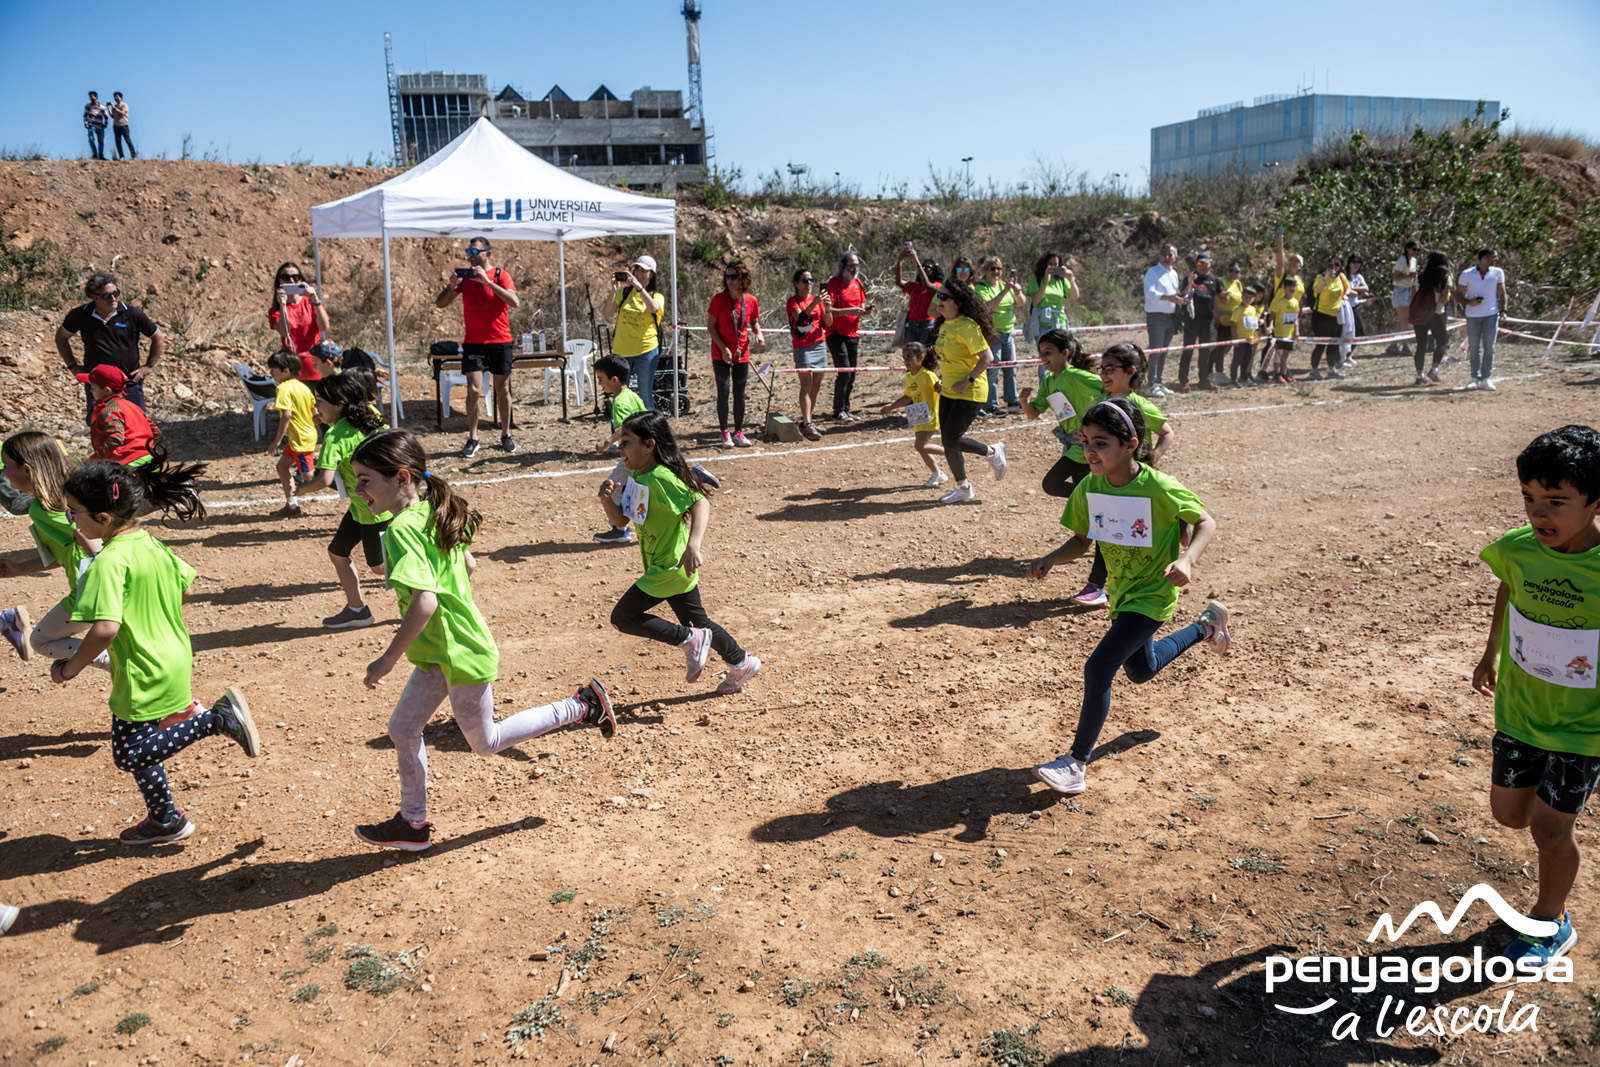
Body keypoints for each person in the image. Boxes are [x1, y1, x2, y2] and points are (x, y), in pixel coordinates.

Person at [349, 430, 616, 851]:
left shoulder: (401, 529)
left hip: (459, 653)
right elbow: (469, 565)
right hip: (442, 651)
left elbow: (424, 603)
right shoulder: (432, 512)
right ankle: (412, 824)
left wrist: (386, 660)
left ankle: (583, 706)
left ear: (401, 478)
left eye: (365, 480)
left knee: (486, 742)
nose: (358, 490)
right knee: (402, 727)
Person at [52, 455, 259, 846]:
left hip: (141, 669)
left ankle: (216, 721)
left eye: (73, 512)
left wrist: (69, 668)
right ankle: (165, 819)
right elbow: (186, 585)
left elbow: (105, 629)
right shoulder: (148, 542)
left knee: (129, 754)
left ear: (102, 517)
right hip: (173, 655)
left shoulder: (108, 562)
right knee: (144, 742)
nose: (71, 520)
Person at [1026, 397, 1229, 795]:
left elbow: (1205, 522)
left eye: (1101, 443)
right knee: (1141, 670)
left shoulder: (1159, 487)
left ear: (1130, 445)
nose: (1090, 451)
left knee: (1099, 667)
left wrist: (1187, 560)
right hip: (1121, 593)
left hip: (1154, 594)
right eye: (1086, 442)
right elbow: (1081, 541)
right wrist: (1051, 558)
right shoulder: (1090, 486)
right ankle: (1206, 627)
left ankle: (1076, 763)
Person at [1472, 424, 1600, 970]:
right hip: (1521, 712)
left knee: (1550, 828)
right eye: (1529, 499)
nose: (1538, 514)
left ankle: (1551, 922)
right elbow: (1509, 584)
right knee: (1510, 815)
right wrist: (1491, 652)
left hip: (1585, 727)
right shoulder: (1517, 549)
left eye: (1556, 502)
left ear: (1596, 502)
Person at [600, 411, 762, 694]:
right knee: (701, 624)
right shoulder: (639, 475)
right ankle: (741, 662)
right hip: (672, 566)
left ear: (649, 445)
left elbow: (700, 502)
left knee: (623, 617)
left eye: (625, 442)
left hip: (669, 567)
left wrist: (694, 544)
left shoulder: (660, 478)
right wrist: (606, 502)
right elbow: (623, 520)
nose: (620, 449)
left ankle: (688, 639)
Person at [1069, 343, 1174, 607]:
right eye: (1102, 368)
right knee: (1108, 531)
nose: (1103, 373)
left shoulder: (1139, 405)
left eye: (1110, 368)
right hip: (1107, 478)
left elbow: (1167, 432)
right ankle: (1100, 586)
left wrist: (1154, 457)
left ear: (1130, 371)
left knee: (1115, 532)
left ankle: (1101, 586)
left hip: (1134, 481)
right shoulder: (1100, 402)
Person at [290, 372, 392, 629]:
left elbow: (324, 480)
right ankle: (357, 609)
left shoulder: (335, 436)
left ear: (339, 403)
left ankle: (429, 582)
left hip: (374, 511)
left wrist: (301, 489)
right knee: (337, 552)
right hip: (370, 504)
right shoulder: (370, 416)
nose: (316, 407)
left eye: (320, 402)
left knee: (380, 567)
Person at [0, 432, 104, 672]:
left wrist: (107, 572)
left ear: (27, 470)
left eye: (6, 466)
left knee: (41, 641)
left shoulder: (43, 509)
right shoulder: (69, 498)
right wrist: (19, 568)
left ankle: (116, 661)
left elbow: (91, 539)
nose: (3, 473)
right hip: (99, 585)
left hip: (92, 589)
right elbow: (63, 553)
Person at [435, 237, 520, 456]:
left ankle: (506, 434)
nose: (470, 255)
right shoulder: (465, 279)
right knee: (473, 390)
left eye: (475, 251)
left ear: (487, 254)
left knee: (502, 389)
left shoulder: (500, 275)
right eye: (468, 251)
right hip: (474, 343)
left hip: (500, 341)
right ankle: (473, 437)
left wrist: (488, 282)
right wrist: (451, 286)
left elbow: (514, 302)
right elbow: (440, 303)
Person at [930, 282, 1007, 505]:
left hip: (970, 390)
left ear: (958, 303)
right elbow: (951, 358)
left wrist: (967, 380)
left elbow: (987, 357)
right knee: (948, 442)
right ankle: (963, 488)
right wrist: (943, 380)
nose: (939, 300)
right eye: (939, 295)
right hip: (949, 390)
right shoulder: (945, 324)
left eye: (944, 297)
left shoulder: (967, 325)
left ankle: (992, 452)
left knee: (952, 438)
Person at [57, 272, 163, 420]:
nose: (113, 298)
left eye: (116, 293)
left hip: (129, 383)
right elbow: (61, 338)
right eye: (107, 296)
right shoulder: (80, 315)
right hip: (98, 385)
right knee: (101, 424)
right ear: (93, 296)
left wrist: (149, 366)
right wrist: (72, 366)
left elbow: (157, 337)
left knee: (136, 423)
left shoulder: (132, 314)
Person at [1021, 328, 1102, 499]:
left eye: (1048, 352)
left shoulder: (1076, 376)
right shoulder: (1048, 382)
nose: (1042, 357)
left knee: (1052, 483)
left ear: (1065, 353)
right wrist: (1024, 401)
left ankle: (1092, 502)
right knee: (1084, 489)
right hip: (1071, 443)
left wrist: (1096, 428)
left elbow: (1110, 389)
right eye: (1041, 353)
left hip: (1084, 443)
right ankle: (1092, 504)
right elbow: (1034, 414)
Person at [592, 355, 649, 545]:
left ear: (614, 379)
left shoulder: (620, 402)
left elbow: (627, 428)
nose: (600, 384)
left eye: (601, 379)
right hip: (643, 453)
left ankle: (619, 529)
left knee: (613, 488)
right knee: (640, 489)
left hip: (634, 457)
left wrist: (607, 442)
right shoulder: (632, 395)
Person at [707, 260, 763, 448]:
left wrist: (758, 334)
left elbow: (754, 322)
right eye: (727, 277)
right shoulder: (718, 300)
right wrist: (723, 349)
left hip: (742, 352)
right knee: (723, 391)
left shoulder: (751, 300)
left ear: (742, 279)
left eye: (733, 277)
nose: (729, 280)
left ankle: (738, 431)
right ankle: (724, 432)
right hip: (720, 352)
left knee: (740, 392)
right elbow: (711, 327)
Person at [879, 342, 946, 487]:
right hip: (917, 415)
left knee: (920, 446)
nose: (906, 361)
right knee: (922, 448)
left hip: (930, 416)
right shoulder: (909, 376)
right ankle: (937, 473)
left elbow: (942, 389)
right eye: (904, 357)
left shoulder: (928, 375)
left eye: (909, 357)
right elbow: (907, 397)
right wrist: (891, 407)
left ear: (921, 357)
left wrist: (942, 384)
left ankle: (951, 452)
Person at [608, 255, 665, 412]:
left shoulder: (656, 296)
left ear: (651, 274)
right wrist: (613, 291)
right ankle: (620, 426)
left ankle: (648, 427)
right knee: (619, 395)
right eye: (636, 269)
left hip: (646, 351)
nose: (638, 272)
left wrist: (639, 288)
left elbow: (653, 308)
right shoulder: (624, 293)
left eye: (643, 270)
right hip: (622, 351)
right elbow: (607, 313)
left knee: (645, 394)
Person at [265, 350, 318, 514]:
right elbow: (315, 412)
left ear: (286, 371)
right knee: (282, 466)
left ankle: (337, 478)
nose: (270, 373)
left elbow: (286, 415)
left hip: (300, 440)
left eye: (273, 369)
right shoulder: (304, 387)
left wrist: (276, 442)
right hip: (301, 438)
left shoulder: (283, 388)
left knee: (309, 477)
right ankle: (292, 505)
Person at [824, 251, 872, 422]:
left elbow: (861, 305)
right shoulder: (833, 284)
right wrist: (851, 310)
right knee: (844, 371)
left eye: (856, 265)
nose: (854, 269)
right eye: (850, 265)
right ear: (842, 266)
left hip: (853, 333)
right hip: (836, 334)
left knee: (852, 373)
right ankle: (838, 410)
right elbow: (827, 310)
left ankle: (846, 408)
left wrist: (864, 310)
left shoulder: (858, 283)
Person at [80, 365, 159, 467]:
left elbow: (116, 438)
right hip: (151, 460)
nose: (90, 391)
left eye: (92, 387)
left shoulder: (110, 411)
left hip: (129, 465)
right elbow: (156, 432)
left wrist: (96, 458)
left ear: (107, 390)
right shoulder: (133, 407)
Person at [975, 256, 1026, 413]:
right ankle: (991, 405)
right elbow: (988, 307)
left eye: (999, 268)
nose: (996, 272)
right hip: (993, 334)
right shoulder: (981, 288)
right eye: (992, 268)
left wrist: (1017, 292)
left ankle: (1012, 401)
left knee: (1011, 368)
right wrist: (1005, 291)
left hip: (1008, 332)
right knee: (993, 370)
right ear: (985, 270)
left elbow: (1021, 303)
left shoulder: (1005, 285)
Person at [786, 268, 831, 440]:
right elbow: (800, 319)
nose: (809, 283)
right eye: (805, 280)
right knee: (806, 383)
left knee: (816, 384)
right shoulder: (793, 302)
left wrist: (827, 308)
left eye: (811, 280)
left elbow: (828, 322)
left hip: (819, 344)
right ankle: (807, 422)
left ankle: (808, 421)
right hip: (803, 347)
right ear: (796, 284)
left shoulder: (817, 300)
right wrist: (814, 303)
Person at [267, 261, 329, 381]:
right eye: (286, 278)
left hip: (315, 364)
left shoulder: (310, 303)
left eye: (295, 277)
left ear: (301, 280)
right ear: (279, 281)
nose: (291, 281)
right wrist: (283, 306)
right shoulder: (276, 310)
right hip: (292, 366)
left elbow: (324, 326)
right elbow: (284, 332)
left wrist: (315, 299)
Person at [1458, 248, 1508, 390]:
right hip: (1472, 316)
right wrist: (1469, 302)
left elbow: (1502, 293)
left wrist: (1503, 310)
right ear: (1484, 258)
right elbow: (1458, 294)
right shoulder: (1467, 274)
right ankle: (1475, 377)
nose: (1496, 259)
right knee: (1474, 348)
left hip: (1491, 315)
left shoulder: (1498, 272)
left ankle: (1486, 378)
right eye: (1493, 257)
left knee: (1489, 347)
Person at [1175, 252, 1220, 392]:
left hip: (1207, 322)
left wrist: (1217, 318)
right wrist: (1190, 282)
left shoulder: (1214, 280)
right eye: (1200, 264)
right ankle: (1183, 381)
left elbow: (1217, 299)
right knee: (1188, 351)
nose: (1203, 267)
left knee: (1205, 352)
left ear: (1211, 264)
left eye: (1206, 264)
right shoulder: (1189, 278)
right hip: (1191, 321)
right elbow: (1183, 296)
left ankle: (1204, 380)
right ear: (1196, 264)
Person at [1142, 245, 1183, 396]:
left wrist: (1181, 299)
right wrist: (1169, 298)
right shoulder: (1152, 272)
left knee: (1164, 351)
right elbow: (1150, 293)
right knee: (1156, 351)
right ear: (1159, 256)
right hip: (1156, 316)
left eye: (1170, 255)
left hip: (1171, 317)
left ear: (1175, 257)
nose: (1167, 257)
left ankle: (1159, 382)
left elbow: (1176, 293)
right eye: (1164, 254)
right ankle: (1151, 385)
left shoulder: (1174, 274)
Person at [1409, 252, 1451, 385]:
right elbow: (1445, 298)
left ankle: (1419, 375)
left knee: (1421, 344)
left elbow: (1413, 295)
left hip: (1420, 314)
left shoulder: (1420, 276)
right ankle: (1434, 369)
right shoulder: (1445, 276)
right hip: (1436, 313)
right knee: (1443, 341)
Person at [1306, 257, 1350, 380]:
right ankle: (1314, 370)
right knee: (1321, 344)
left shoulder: (1341, 277)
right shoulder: (1320, 277)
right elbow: (1317, 290)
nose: (1334, 267)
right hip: (1321, 316)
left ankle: (1332, 369)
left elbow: (1347, 288)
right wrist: (1326, 278)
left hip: (1336, 316)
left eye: (1337, 265)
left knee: (1334, 344)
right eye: (1331, 265)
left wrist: (1344, 296)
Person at [896, 244, 943, 347]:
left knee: (924, 353)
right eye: (923, 266)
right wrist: (900, 260)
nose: (925, 269)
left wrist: (916, 260)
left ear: (934, 271)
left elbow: (927, 285)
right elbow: (899, 282)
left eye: (928, 267)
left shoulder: (937, 286)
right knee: (909, 352)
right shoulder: (915, 286)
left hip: (927, 326)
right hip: (911, 325)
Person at [1262, 273, 1303, 383]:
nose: (1292, 289)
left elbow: (1296, 318)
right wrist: (1271, 325)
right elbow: (1272, 315)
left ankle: (1284, 374)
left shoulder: (1295, 302)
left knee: (1286, 354)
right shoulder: (1279, 301)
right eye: (1290, 286)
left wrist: (1297, 331)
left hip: (1290, 334)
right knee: (1278, 354)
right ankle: (1277, 374)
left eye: (1294, 286)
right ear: (1285, 288)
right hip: (1280, 333)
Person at [1213, 261, 1244, 386]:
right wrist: (1216, 316)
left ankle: (1219, 372)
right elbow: (1218, 299)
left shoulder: (1238, 284)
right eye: (1231, 270)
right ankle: (1216, 372)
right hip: (1221, 320)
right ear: (1227, 271)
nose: (1234, 273)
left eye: (1237, 271)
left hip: (1233, 322)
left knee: (1227, 348)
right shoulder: (1220, 281)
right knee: (1219, 348)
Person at [1338, 254, 1370, 366]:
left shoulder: (1358, 276)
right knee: (1345, 333)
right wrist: (1356, 291)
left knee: (1359, 333)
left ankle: (1348, 354)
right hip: (1345, 307)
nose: (1356, 265)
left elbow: (1366, 288)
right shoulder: (1344, 275)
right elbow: (1345, 290)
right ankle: (1341, 357)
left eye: (1358, 263)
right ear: (1349, 263)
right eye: (1353, 262)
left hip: (1355, 307)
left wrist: (1353, 289)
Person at [1229, 285, 1263, 386]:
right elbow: (1233, 324)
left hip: (1250, 340)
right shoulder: (1237, 310)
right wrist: (1234, 339)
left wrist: (1256, 334)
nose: (1247, 299)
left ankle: (1243, 378)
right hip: (1240, 340)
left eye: (1250, 298)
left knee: (1246, 360)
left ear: (1254, 299)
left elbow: (1254, 324)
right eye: (1245, 297)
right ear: (1242, 297)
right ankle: (1233, 379)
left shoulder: (1253, 309)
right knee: (1237, 360)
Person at [1392, 239, 1421, 329]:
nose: (1416, 252)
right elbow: (1396, 278)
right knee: (1404, 320)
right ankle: (1402, 338)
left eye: (1418, 250)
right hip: (1400, 291)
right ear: (1407, 249)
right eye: (1414, 249)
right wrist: (1408, 276)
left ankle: (1396, 338)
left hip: (1410, 290)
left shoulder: (1414, 261)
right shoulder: (1402, 260)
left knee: (1406, 320)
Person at [110, 92, 135, 160]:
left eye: (117, 96)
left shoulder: (124, 105)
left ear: (121, 98)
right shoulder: (114, 106)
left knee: (128, 140)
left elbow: (123, 113)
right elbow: (112, 116)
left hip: (124, 125)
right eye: (115, 97)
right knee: (118, 142)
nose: (115, 98)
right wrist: (109, 108)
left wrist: (114, 107)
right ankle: (121, 156)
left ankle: (133, 155)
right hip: (116, 126)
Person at [83, 92, 108, 160]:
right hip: (91, 125)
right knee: (91, 139)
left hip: (100, 126)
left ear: (96, 97)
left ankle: (101, 156)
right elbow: (85, 115)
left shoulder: (102, 107)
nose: (91, 98)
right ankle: (94, 154)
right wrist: (85, 123)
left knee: (101, 141)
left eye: (92, 96)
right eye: (90, 97)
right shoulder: (88, 106)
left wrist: (105, 124)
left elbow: (106, 116)